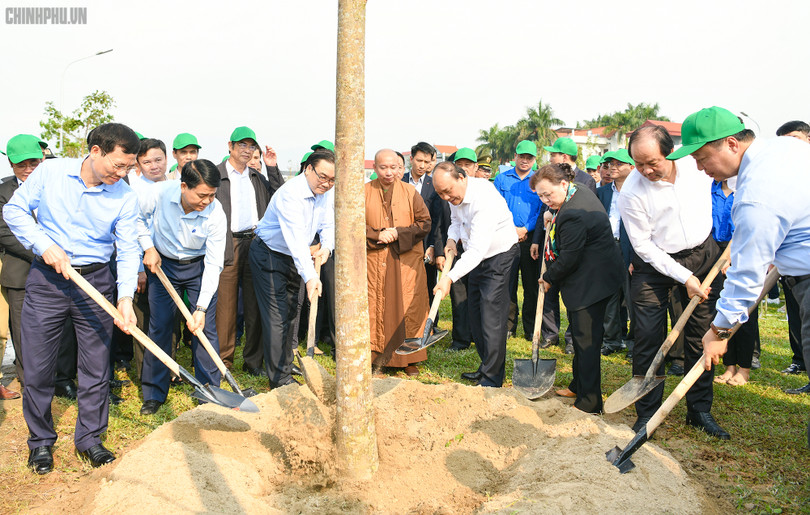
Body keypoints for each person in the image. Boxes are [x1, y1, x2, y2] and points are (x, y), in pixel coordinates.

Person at [4, 123, 141, 473]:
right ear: (96, 151)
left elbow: (128, 249)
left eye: (128, 167)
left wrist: (125, 297)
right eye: (118, 165)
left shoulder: (125, 196)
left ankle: (90, 439)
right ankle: (40, 441)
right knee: (37, 367)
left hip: (95, 279)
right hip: (47, 279)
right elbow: (14, 211)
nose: (122, 174)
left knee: (95, 367)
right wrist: (43, 244)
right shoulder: (51, 173)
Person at [687, 108, 810, 403]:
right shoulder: (787, 147)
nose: (700, 168)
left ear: (731, 144)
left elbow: (746, 274)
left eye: (702, 158)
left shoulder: (756, 193)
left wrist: (719, 330)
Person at [618, 123, 728, 439]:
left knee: (700, 335)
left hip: (703, 254)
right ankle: (647, 414)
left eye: (652, 162)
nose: (646, 170)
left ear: (670, 153)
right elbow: (643, 246)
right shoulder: (632, 191)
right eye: (639, 164)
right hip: (654, 264)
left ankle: (699, 409)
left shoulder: (696, 166)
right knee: (648, 337)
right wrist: (684, 277)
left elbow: (732, 184)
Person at [136, 159, 227, 415]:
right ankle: (154, 392)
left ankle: (209, 392)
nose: (207, 201)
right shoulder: (159, 193)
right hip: (163, 265)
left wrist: (201, 307)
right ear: (184, 186)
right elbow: (136, 218)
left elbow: (214, 263)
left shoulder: (216, 212)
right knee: (160, 327)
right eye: (202, 195)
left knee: (203, 328)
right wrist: (148, 247)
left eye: (212, 195)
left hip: (198, 267)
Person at [532, 162, 623, 413]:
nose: (545, 200)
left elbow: (569, 258)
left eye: (548, 195)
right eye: (540, 196)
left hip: (591, 282)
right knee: (582, 337)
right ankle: (578, 384)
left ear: (563, 184)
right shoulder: (577, 190)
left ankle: (589, 401)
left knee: (587, 342)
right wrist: (552, 213)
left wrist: (548, 277)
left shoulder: (573, 214)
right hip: (593, 273)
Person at [249, 149, 334, 388]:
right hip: (270, 255)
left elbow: (328, 223)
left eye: (332, 180)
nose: (326, 183)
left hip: (293, 258)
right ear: (308, 169)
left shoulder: (325, 192)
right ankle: (280, 379)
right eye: (322, 177)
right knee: (277, 315)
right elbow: (296, 240)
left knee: (290, 313)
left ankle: (285, 364)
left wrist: (327, 248)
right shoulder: (291, 194)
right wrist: (310, 277)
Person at [433, 161, 518, 387]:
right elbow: (456, 221)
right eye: (440, 194)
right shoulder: (454, 196)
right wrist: (452, 239)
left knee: (491, 314)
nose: (446, 197)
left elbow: (478, 250)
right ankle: (486, 366)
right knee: (475, 312)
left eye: (448, 191)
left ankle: (492, 377)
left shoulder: (484, 199)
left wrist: (448, 278)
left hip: (499, 255)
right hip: (477, 256)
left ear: (461, 178)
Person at [367, 149, 432, 375]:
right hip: (374, 259)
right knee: (375, 306)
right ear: (375, 168)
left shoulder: (410, 192)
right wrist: (377, 234)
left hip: (405, 259)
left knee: (409, 307)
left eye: (393, 167)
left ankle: (410, 358)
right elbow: (352, 224)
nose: (388, 172)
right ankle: (376, 357)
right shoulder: (364, 192)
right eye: (383, 167)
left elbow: (425, 223)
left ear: (400, 168)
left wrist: (398, 233)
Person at [215, 126, 274, 376]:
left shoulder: (257, 177)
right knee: (225, 306)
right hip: (227, 243)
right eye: (242, 145)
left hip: (255, 243)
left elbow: (277, 197)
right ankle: (223, 362)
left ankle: (253, 361)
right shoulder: (216, 175)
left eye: (251, 146)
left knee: (255, 304)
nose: (247, 150)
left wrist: (272, 168)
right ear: (230, 146)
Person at [0, 134, 44, 399]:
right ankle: (30, 381)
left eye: (33, 163)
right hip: (20, 272)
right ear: (11, 164)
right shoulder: (3, 191)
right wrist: (42, 254)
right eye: (21, 164)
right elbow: (4, 232)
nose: (28, 169)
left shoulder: (55, 186)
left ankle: (58, 376)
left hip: (59, 270)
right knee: (22, 329)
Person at [494, 140, 542, 340]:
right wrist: (511, 229)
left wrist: (525, 229)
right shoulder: (501, 179)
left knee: (531, 286)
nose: (525, 160)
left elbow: (542, 210)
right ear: (515, 156)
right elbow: (495, 206)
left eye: (529, 158)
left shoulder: (539, 180)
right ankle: (508, 326)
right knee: (508, 284)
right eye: (521, 156)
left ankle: (530, 329)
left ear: (534, 159)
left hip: (531, 240)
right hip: (506, 238)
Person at [775, 120, 809, 376]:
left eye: (795, 139)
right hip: (791, 266)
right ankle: (801, 361)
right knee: (798, 317)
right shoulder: (785, 177)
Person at [593, 149, 636, 357]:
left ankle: (634, 342)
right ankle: (612, 340)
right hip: (607, 248)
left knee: (632, 297)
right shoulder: (602, 192)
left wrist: (636, 257)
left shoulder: (638, 191)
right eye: (610, 164)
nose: (613, 168)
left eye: (619, 164)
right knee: (609, 296)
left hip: (631, 249)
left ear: (632, 167)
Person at [402, 142, 445, 330]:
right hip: (402, 242)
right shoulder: (399, 181)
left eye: (427, 162)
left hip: (426, 245)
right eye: (419, 160)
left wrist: (434, 246)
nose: (422, 165)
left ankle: (430, 325)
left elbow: (437, 220)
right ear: (411, 159)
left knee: (428, 285)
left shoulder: (433, 185)